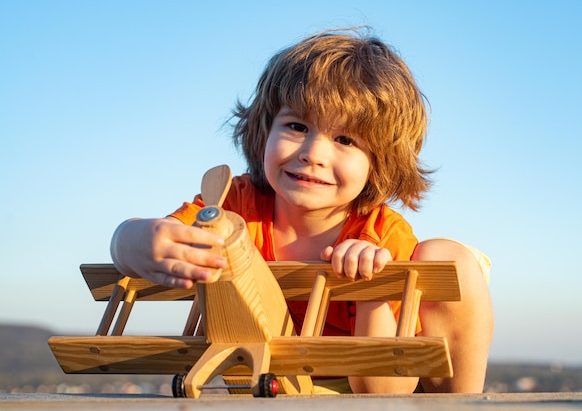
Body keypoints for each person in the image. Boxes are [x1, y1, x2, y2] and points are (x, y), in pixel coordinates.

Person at [110, 27, 493, 394]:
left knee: (449, 257)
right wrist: (137, 239)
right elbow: (136, 242)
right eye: (296, 125)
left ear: (380, 162)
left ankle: (460, 402)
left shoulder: (380, 233)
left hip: (362, 387)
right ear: (265, 129)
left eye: (345, 139)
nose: (313, 153)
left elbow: (382, 390)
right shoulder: (232, 207)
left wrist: (372, 289)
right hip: (265, 380)